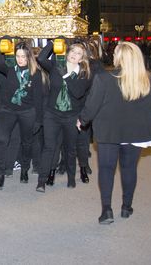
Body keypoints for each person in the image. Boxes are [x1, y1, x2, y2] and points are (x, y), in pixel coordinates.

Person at [79, 42, 151, 224]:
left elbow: (92, 105)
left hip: (109, 132)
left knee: (107, 170)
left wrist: (82, 120)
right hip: (136, 132)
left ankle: (106, 210)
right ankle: (126, 207)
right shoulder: (148, 80)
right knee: (129, 168)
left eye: (115, 53)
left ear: (120, 57)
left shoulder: (104, 79)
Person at [36, 40, 93, 192]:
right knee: (49, 147)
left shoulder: (84, 73)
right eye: (72, 52)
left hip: (71, 116)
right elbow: (41, 59)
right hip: (52, 115)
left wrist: (67, 75)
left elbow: (78, 93)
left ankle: (71, 178)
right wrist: (52, 44)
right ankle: (41, 181)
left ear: (82, 58)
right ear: (67, 53)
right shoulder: (56, 66)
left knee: (70, 148)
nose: (74, 55)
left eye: (78, 53)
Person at [0, 40, 43, 190]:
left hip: (28, 111)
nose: (20, 59)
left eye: (23, 56)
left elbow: (38, 98)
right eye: (18, 56)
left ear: (29, 57)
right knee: (2, 140)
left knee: (27, 143)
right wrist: (4, 39)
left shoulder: (36, 73)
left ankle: (24, 170)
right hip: (8, 110)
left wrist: (38, 120)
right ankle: (0, 174)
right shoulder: (10, 70)